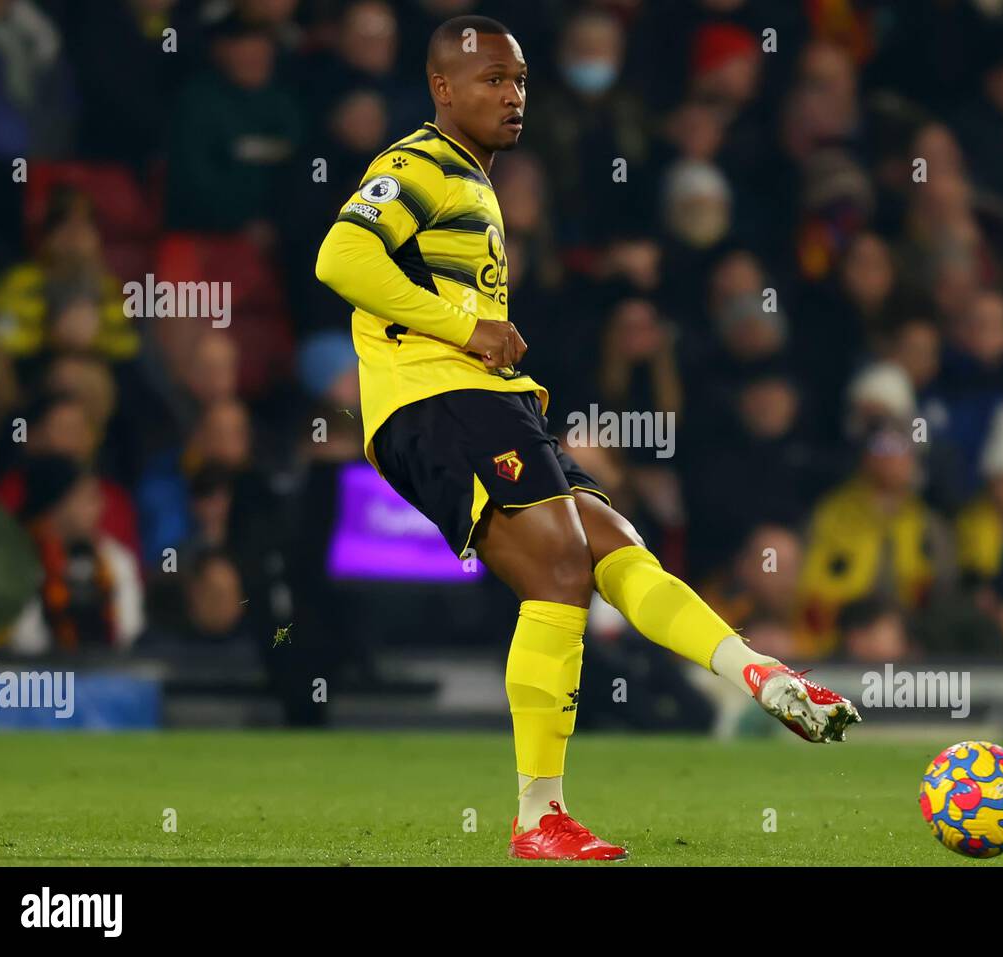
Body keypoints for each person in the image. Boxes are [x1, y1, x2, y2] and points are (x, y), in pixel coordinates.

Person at [315, 15, 861, 862]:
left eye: (521, 80)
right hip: (437, 397)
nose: (512, 94)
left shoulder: (472, 178)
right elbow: (341, 258)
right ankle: (540, 817)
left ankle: (762, 675)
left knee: (616, 547)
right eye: (492, 79)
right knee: (563, 568)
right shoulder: (415, 162)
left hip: (488, 399)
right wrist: (464, 328)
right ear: (442, 88)